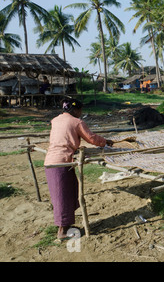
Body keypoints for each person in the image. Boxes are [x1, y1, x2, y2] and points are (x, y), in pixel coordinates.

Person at [44, 98, 114, 239]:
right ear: (75, 110)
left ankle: (66, 225)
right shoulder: (77, 122)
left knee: (67, 193)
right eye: (80, 110)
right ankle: (63, 232)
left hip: (53, 161)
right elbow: (91, 138)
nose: (81, 113)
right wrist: (106, 142)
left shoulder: (56, 120)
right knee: (63, 196)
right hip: (60, 163)